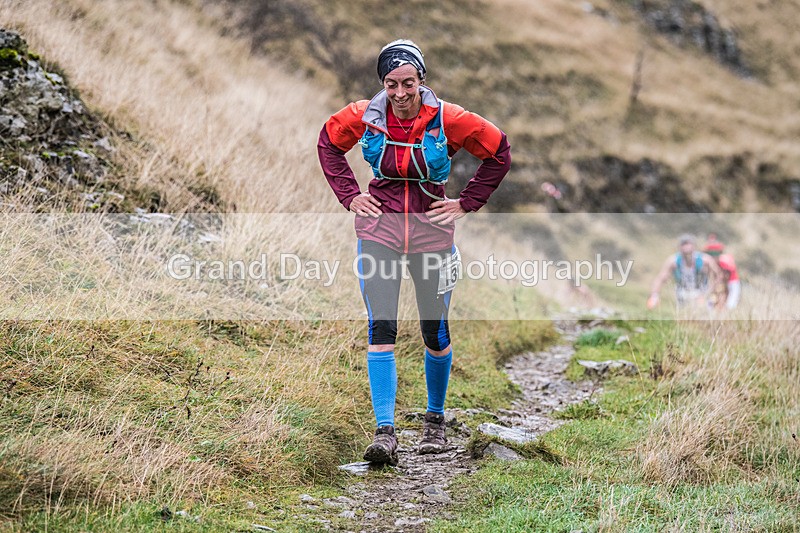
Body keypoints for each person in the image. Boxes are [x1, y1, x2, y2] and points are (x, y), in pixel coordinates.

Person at [317, 39, 510, 465]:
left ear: (422, 81)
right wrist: (350, 196)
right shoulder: (363, 117)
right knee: (380, 328)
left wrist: (466, 202)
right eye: (391, 84)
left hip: (432, 236)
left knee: (434, 333)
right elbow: (328, 144)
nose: (400, 93)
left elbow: (499, 151)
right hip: (379, 232)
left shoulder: (449, 118)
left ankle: (435, 422)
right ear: (382, 85)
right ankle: (384, 433)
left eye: (408, 83)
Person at [647, 234, 722, 310]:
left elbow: (718, 276)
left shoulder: (705, 260)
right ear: (679, 247)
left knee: (702, 314)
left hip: (701, 293)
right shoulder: (674, 261)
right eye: (683, 244)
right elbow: (661, 278)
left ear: (694, 246)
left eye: (688, 244)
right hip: (682, 294)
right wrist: (654, 296)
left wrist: (709, 294)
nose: (686, 247)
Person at [702, 234, 740, 310]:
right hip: (720, 284)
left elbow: (723, 277)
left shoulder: (724, 261)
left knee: (731, 304)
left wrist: (711, 289)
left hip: (731, 282)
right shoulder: (709, 262)